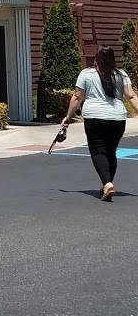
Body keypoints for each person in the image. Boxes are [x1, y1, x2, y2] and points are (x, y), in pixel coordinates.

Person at [60, 46, 138, 201]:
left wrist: (68, 116)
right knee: (111, 152)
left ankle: (107, 183)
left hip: (94, 117)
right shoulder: (121, 74)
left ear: (95, 58)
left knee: (98, 151)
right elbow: (131, 96)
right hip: (117, 118)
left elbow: (77, 97)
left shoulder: (86, 74)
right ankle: (106, 184)